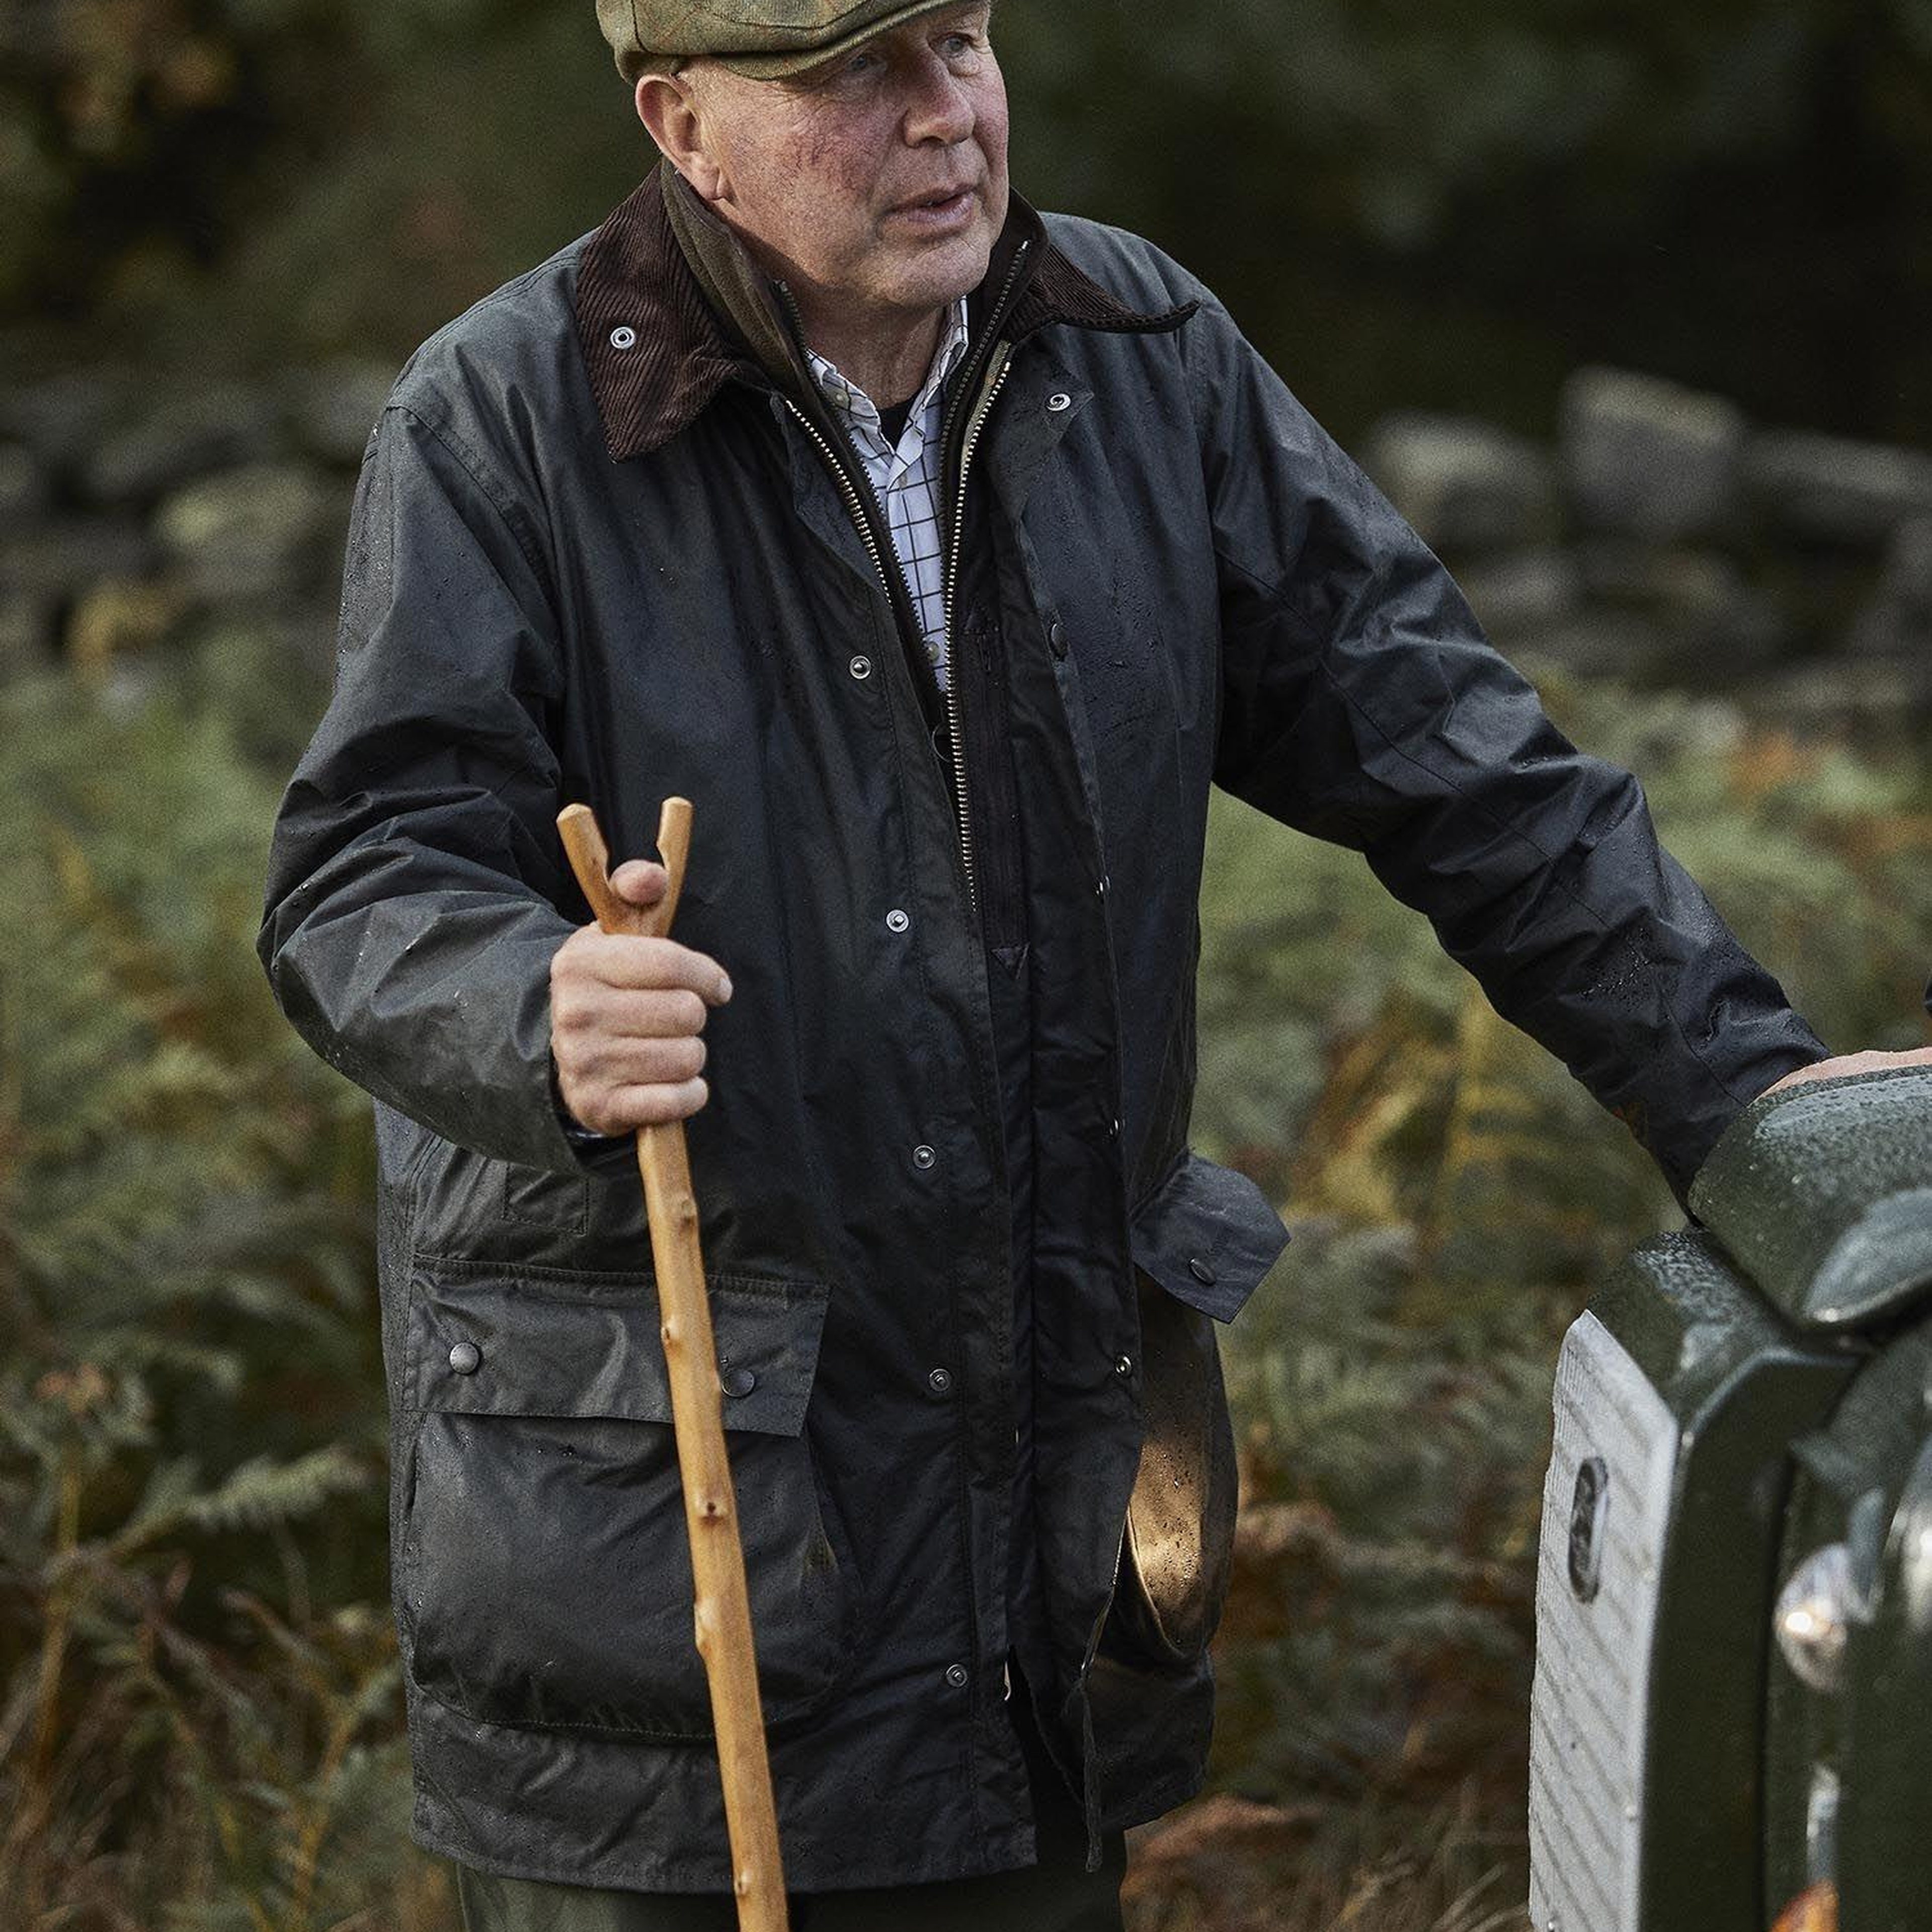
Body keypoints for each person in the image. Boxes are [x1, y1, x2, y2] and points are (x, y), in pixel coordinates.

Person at [255, 3, 1929, 1925]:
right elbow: (362, 874)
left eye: (961, 40)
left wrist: (1748, 1099)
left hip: (1036, 1586)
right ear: (684, 124)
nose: (945, 114)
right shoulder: (499, 420)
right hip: (668, 1596)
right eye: (858, 73)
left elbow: (1463, 766)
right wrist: (529, 1008)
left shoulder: (1140, 353)